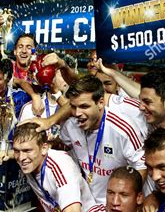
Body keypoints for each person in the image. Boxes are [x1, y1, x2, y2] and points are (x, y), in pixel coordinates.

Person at [59, 75, 146, 204]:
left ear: (100, 103)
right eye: (73, 106)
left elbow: (141, 167)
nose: (77, 113)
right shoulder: (70, 126)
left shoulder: (123, 129)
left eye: (84, 106)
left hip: (115, 205)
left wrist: (125, 202)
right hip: (87, 204)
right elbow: (65, 146)